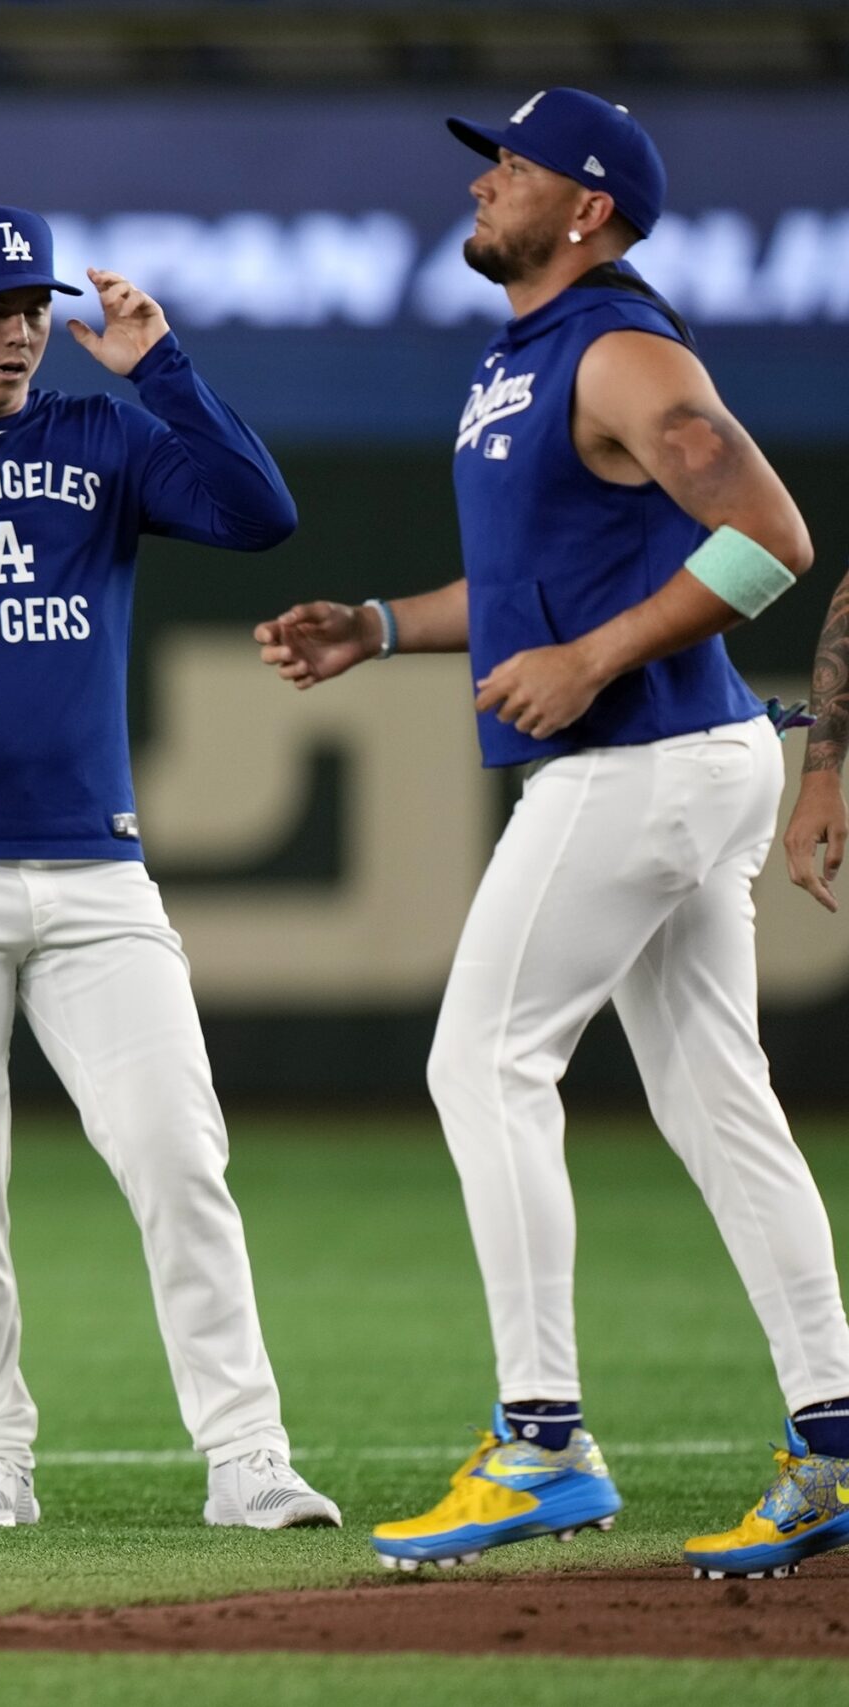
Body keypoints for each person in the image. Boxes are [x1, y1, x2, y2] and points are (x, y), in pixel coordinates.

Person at [255, 89, 849, 1579]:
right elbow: (537, 585)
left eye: (512, 166)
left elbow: (775, 540)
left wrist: (595, 660)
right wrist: (384, 625)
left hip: (635, 758)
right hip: (676, 759)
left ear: (584, 205)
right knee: (722, 1102)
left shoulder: (622, 343)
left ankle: (541, 1438)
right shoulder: (528, 355)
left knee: (482, 1059)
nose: (486, 183)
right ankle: (836, 1441)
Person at [0, 204, 339, 1534]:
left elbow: (258, 513)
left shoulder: (100, 433)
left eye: (36, 304)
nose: (24, 328)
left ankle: (249, 1452)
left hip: (97, 869)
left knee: (176, 1151)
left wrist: (162, 367)